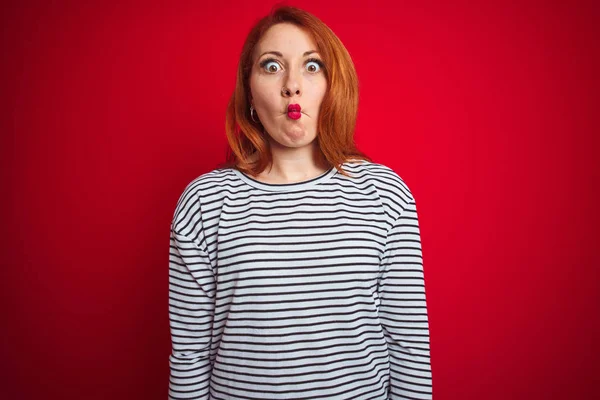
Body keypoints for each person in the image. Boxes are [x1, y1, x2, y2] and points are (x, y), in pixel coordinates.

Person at [168, 5, 432, 400]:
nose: (292, 85)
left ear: (331, 85)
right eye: (272, 66)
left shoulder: (384, 194)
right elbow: (189, 358)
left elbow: (409, 347)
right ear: (250, 91)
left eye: (312, 66)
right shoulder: (205, 202)